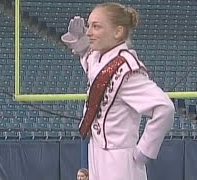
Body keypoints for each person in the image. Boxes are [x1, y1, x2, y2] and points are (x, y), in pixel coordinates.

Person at [61, 2, 175, 180]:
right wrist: (81, 45)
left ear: (118, 32)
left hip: (119, 158)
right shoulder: (100, 57)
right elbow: (92, 67)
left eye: (96, 26)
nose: (89, 32)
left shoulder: (127, 70)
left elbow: (164, 108)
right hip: (97, 150)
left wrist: (143, 151)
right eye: (89, 26)